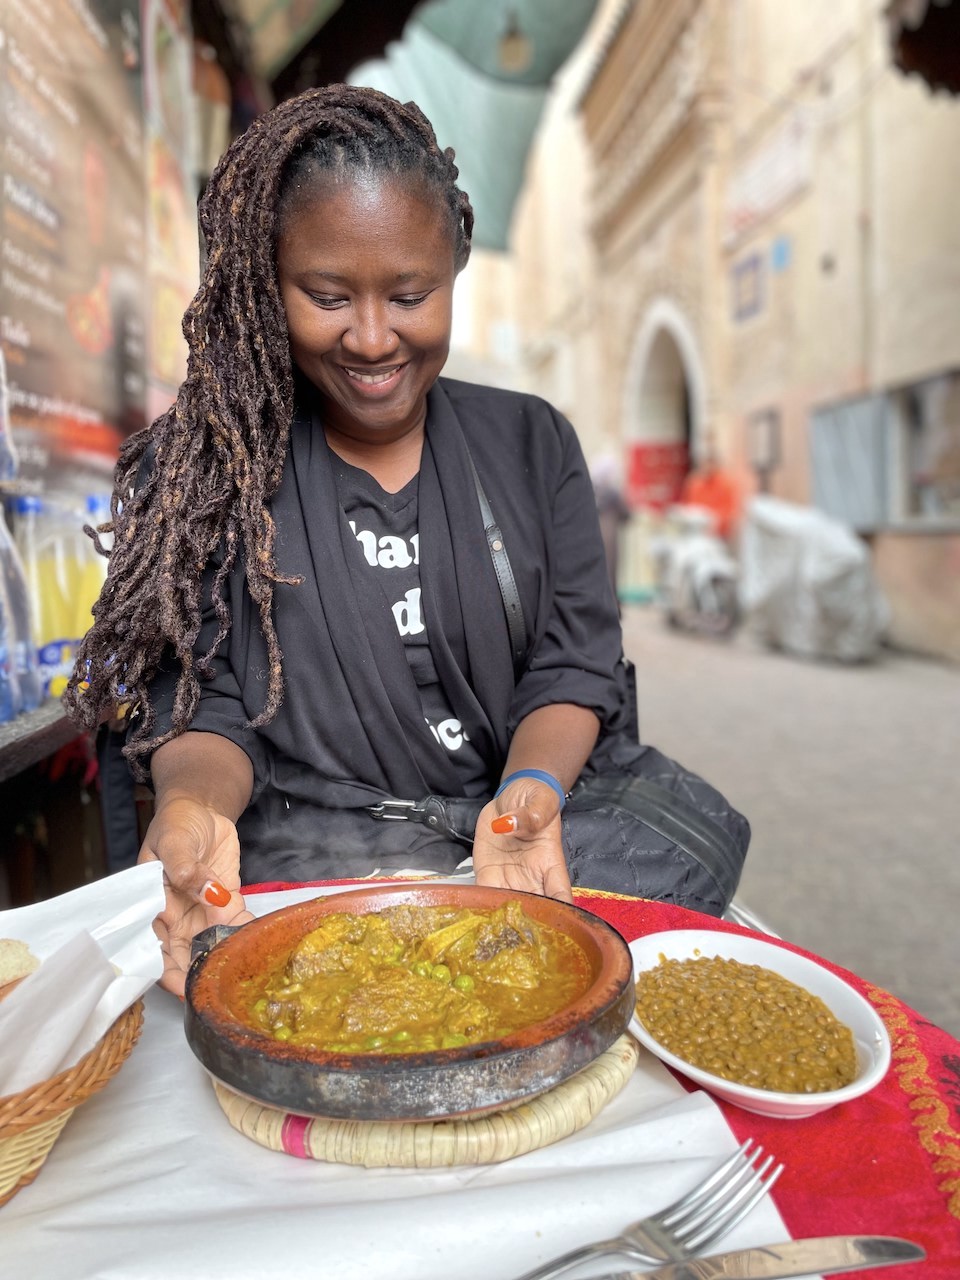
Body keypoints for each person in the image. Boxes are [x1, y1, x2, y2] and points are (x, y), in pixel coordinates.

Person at [64, 86, 748, 997]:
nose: (375, 337)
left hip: (516, 839)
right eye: (327, 295)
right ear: (268, 285)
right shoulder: (212, 473)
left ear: (453, 274)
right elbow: (204, 707)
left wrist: (531, 792)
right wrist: (193, 808)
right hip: (314, 852)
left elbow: (573, 666)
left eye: (411, 294)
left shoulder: (532, 443)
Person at [678, 436, 741, 542]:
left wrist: (713, 520)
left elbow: (729, 511)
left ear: (716, 463)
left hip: (718, 535)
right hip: (695, 532)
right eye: (703, 463)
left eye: (709, 463)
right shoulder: (694, 482)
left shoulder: (726, 483)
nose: (706, 467)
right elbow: (686, 504)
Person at [589, 454, 630, 603]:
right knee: (611, 570)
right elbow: (626, 514)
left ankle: (598, 601)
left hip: (593, 534)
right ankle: (611, 603)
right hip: (610, 536)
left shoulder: (591, 489)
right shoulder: (612, 492)